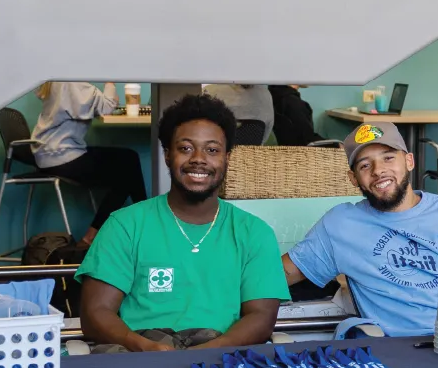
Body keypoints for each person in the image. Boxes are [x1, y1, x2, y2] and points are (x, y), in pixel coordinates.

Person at [75, 94, 290, 353]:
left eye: (212, 150)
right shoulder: (125, 225)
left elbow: (261, 318)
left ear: (227, 158)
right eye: (186, 148)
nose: (198, 159)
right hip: (139, 356)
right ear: (167, 155)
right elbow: (95, 313)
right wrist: (143, 347)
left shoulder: (254, 233)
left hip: (221, 357)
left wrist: (209, 352)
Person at [281, 122, 438, 337]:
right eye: (365, 165)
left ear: (409, 161)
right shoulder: (340, 224)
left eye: (388, 158)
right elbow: (280, 274)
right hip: (393, 348)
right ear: (353, 179)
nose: (379, 171)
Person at [31, 82, 148, 246]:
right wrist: (110, 81)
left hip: (52, 152)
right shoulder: (71, 83)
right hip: (60, 155)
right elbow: (107, 106)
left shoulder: (59, 80)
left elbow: (101, 103)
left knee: (127, 165)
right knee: (127, 167)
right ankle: (147, 225)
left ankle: (96, 236)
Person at [203, 84, 274, 143]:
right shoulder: (266, 97)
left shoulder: (209, 91)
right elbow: (265, 136)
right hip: (250, 156)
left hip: (213, 154)